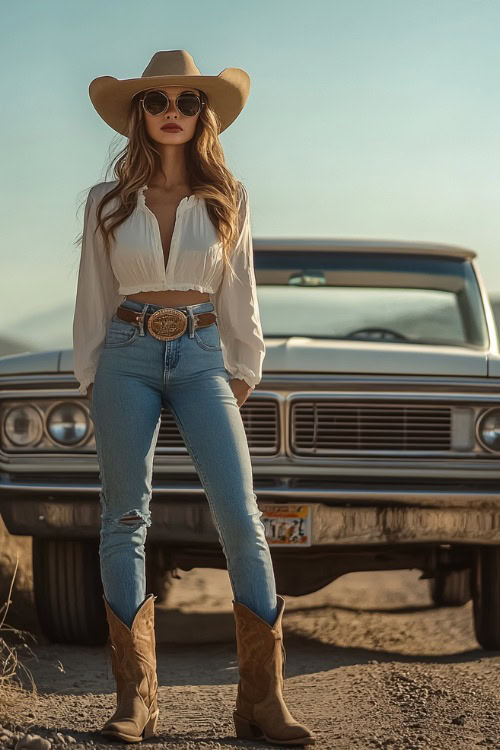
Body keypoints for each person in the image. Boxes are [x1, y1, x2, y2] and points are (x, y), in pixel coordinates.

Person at [72, 49, 316, 746]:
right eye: (157, 101)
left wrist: (244, 370)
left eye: (186, 102)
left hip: (206, 354)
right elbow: (93, 295)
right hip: (125, 354)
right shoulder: (106, 201)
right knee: (124, 517)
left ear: (202, 115)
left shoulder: (228, 196)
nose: (172, 112)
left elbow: (241, 289)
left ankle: (263, 703)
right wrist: (93, 377)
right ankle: (136, 699)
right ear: (139, 115)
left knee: (241, 517)